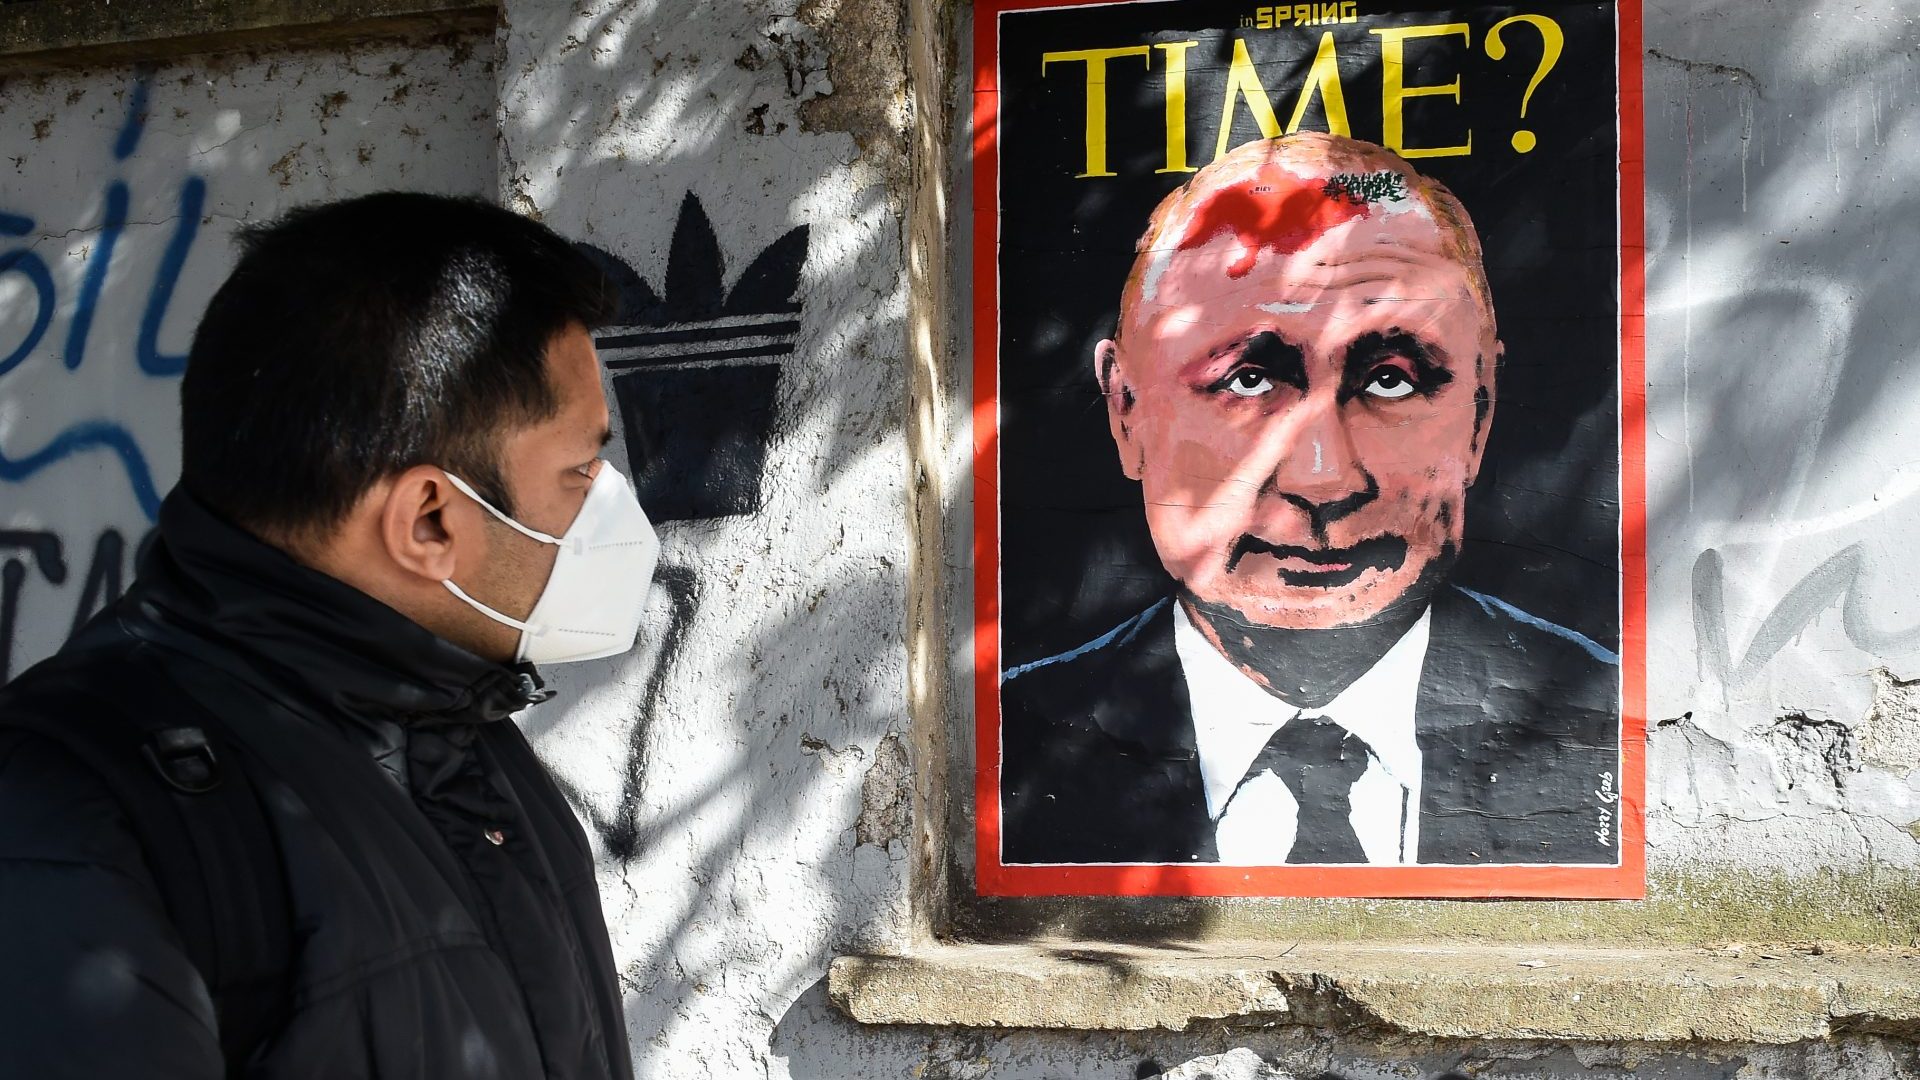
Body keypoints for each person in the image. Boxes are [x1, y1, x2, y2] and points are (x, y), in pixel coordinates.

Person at [0, 193, 655, 1077]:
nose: (608, 500)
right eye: (581, 468)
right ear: (428, 520)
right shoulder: (66, 820)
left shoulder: (466, 739)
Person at [1000, 133, 1620, 868]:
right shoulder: (1015, 739)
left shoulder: (1612, 724)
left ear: (1481, 415)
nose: (1325, 480)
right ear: (1125, 411)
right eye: (1249, 380)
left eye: (1391, 380)